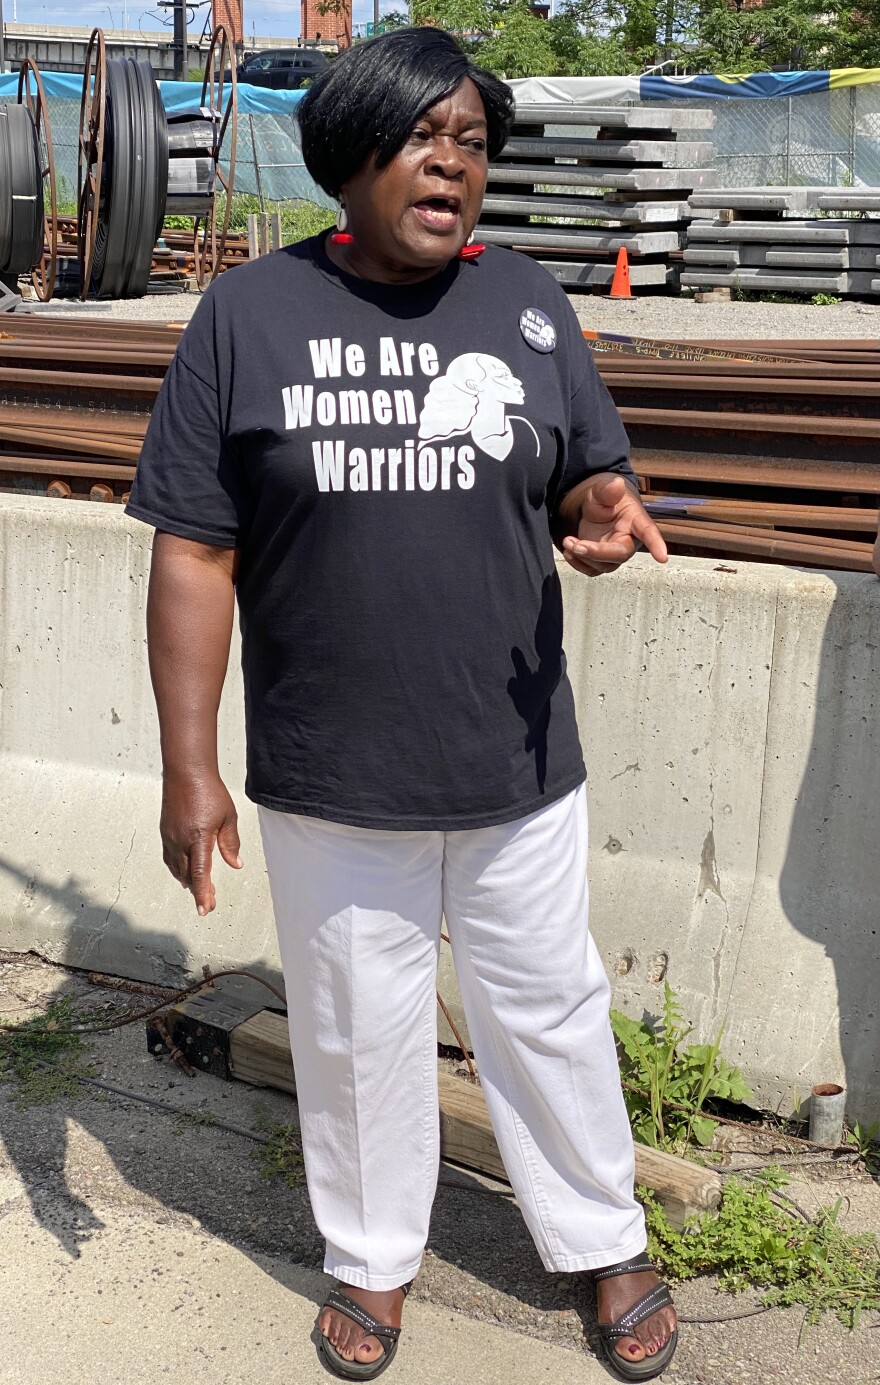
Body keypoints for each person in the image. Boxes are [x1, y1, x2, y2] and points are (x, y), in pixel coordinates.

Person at [126, 28, 678, 1382]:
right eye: (424, 138)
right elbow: (195, 550)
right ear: (350, 157)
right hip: (331, 771)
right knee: (354, 1019)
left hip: (517, 760)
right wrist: (187, 766)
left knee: (546, 1003)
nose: (454, 163)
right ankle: (372, 1255)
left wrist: (599, 515)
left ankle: (603, 1238)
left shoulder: (532, 306)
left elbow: (583, 487)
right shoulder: (247, 317)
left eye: (474, 143)